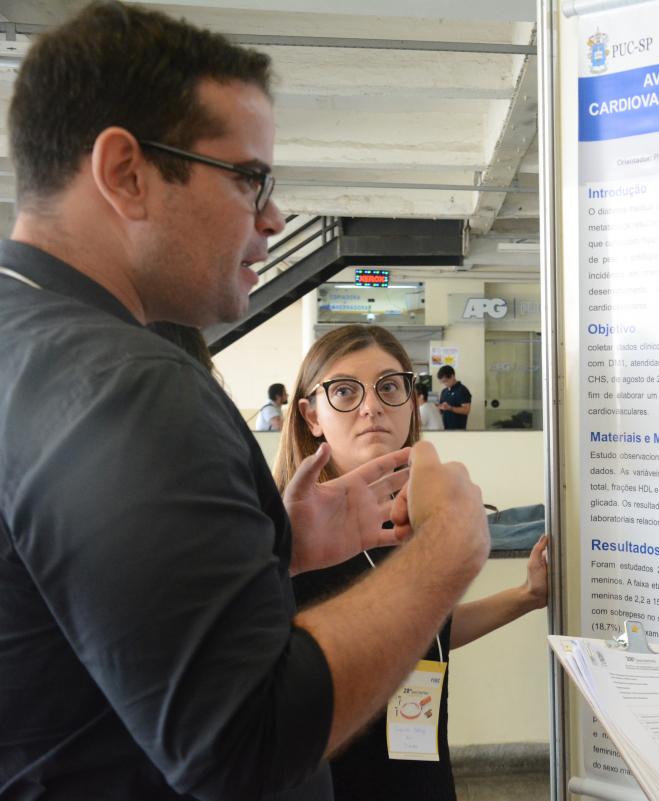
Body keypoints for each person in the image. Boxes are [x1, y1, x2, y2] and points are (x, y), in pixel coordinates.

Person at [0, 4, 490, 800]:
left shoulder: (28, 339)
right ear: (125, 173)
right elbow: (243, 745)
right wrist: (448, 549)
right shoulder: (130, 383)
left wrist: (273, 551)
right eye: (248, 178)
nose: (273, 217)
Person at [276, 324, 548, 801]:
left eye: (389, 387)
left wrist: (526, 596)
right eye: (345, 391)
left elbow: (424, 629)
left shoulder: (408, 513)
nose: (372, 406)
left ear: (411, 400)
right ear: (311, 415)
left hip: (421, 773)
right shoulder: (289, 538)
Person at [437, 365, 472, 429]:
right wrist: (438, 407)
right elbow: (441, 410)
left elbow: (466, 410)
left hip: (458, 430)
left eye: (445, 381)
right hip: (445, 428)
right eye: (442, 382)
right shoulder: (444, 391)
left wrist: (450, 408)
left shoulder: (462, 390)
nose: (444, 384)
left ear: (452, 376)